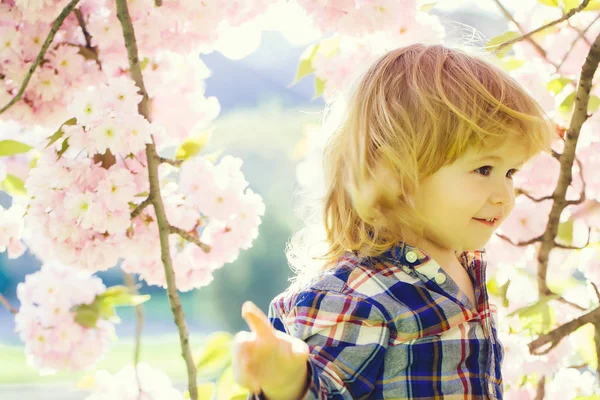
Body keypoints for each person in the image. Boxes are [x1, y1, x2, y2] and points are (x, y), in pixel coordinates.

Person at [232, 43, 555, 400]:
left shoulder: (459, 268)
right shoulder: (357, 298)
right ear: (398, 172)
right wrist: (288, 381)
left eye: (510, 172)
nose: (504, 196)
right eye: (484, 169)